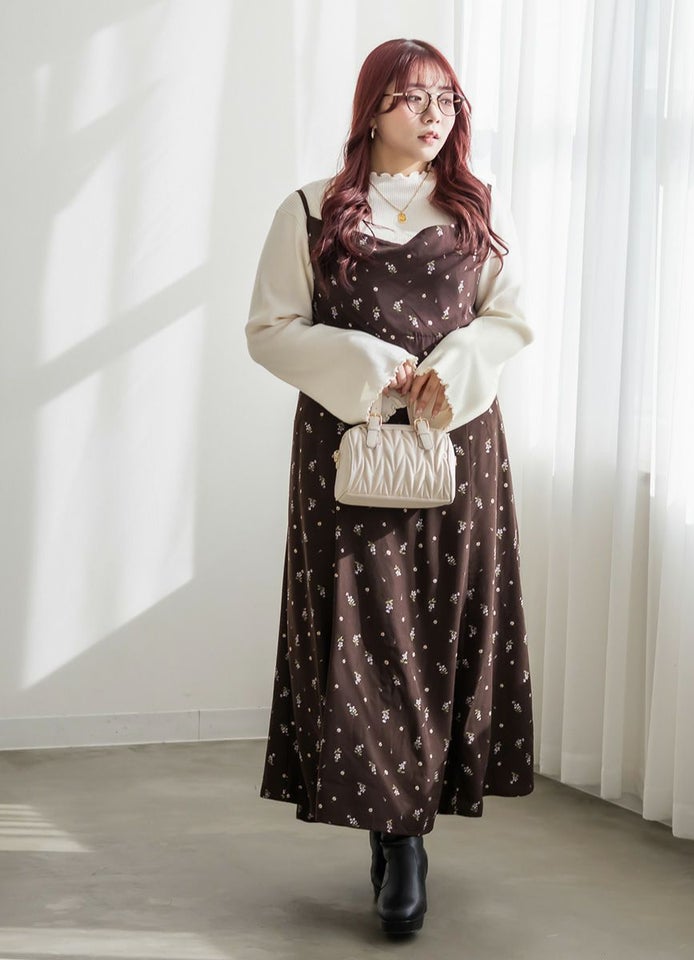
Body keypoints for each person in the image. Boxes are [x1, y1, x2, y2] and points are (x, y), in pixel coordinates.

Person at [245, 37, 535, 937]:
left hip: (456, 449)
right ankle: (396, 835)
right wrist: (372, 365)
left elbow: (510, 319)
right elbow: (270, 328)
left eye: (447, 99)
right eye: (414, 98)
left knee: (437, 629)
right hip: (347, 454)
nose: (435, 114)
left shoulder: (472, 209)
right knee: (366, 635)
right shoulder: (310, 210)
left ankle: (405, 827)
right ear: (372, 109)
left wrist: (452, 367)